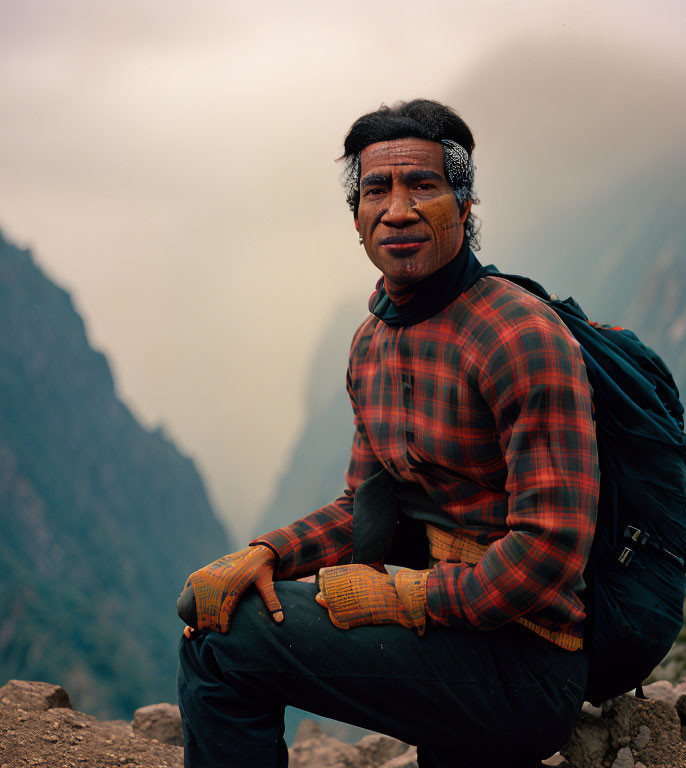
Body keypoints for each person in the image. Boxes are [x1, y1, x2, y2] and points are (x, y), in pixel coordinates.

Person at [176, 99, 599, 768]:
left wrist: (406, 597)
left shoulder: (518, 335)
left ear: (464, 204)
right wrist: (270, 553)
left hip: (527, 662)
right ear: (356, 218)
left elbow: (549, 552)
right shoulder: (373, 344)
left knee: (223, 644)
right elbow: (364, 510)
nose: (397, 210)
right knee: (219, 602)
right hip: (447, 639)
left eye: (423, 185)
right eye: (377, 189)